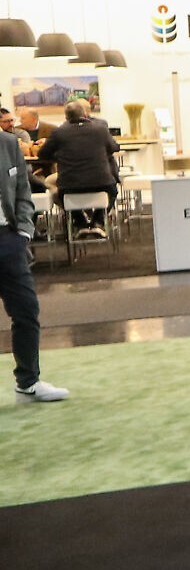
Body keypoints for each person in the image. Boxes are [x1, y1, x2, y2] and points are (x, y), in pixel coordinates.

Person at [1, 122, 67, 402]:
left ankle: (28, 383)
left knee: (27, 310)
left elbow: (22, 191)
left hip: (8, 239)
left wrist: (23, 232)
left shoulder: (8, 144)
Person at [33, 99, 119, 239]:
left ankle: (80, 223)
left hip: (70, 185)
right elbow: (115, 147)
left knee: (59, 193)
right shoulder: (100, 129)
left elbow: (43, 154)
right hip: (101, 182)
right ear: (85, 114)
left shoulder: (59, 132)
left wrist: (60, 155)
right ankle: (98, 222)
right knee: (113, 191)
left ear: (66, 117)